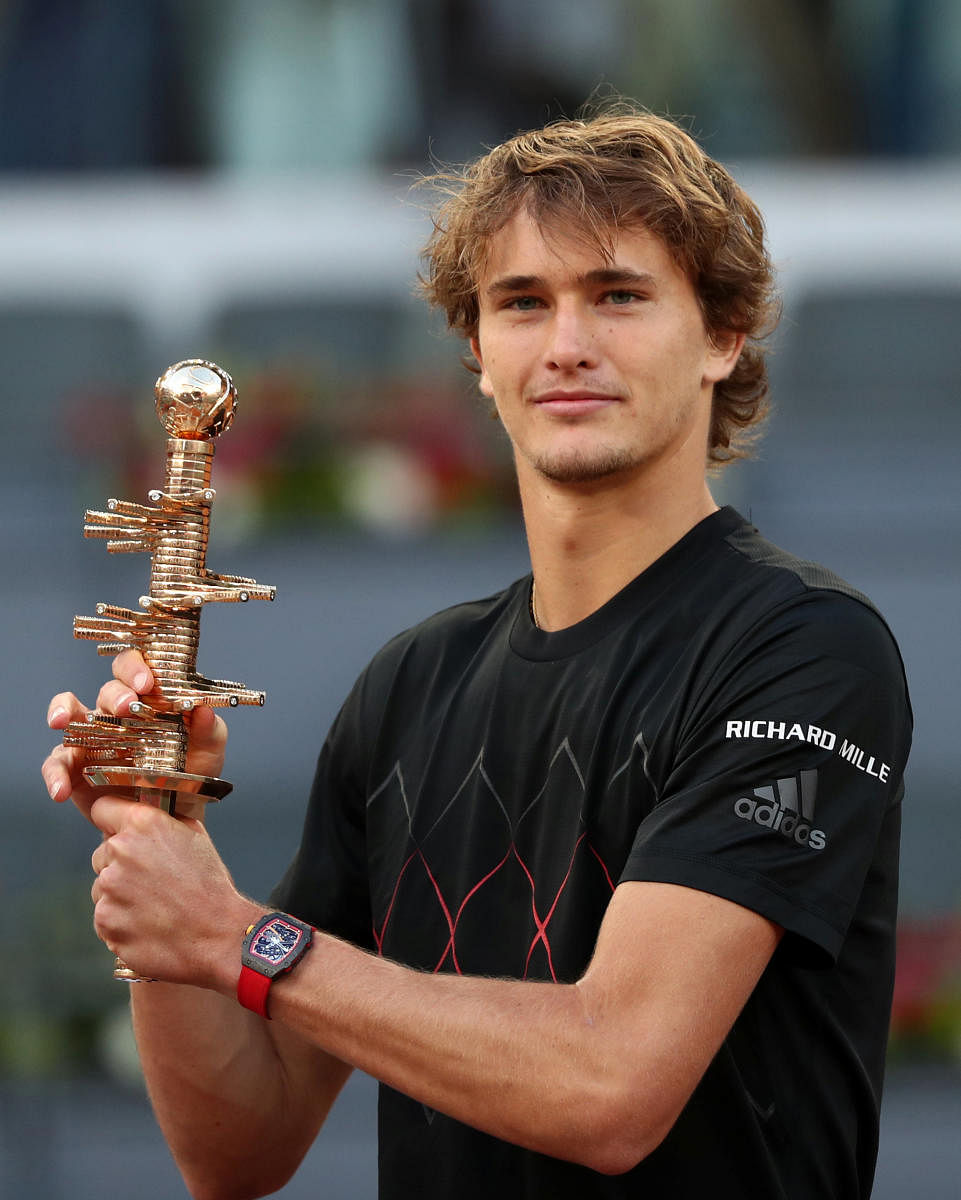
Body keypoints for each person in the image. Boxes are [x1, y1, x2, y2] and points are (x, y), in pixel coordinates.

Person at [43, 106, 911, 1200]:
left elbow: (611, 1084)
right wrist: (163, 852)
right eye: (521, 303)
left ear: (723, 335)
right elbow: (238, 1149)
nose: (566, 345)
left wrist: (236, 937)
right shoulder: (410, 684)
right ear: (475, 353)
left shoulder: (802, 651)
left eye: (619, 296)